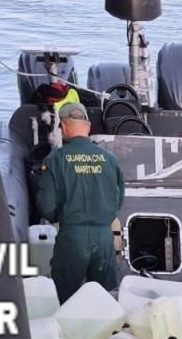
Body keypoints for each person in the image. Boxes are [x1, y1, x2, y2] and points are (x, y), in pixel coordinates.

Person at [34, 102, 126, 304]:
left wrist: (60, 216)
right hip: (104, 239)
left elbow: (47, 207)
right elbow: (118, 200)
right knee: (105, 301)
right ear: (88, 127)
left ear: (63, 127)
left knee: (64, 301)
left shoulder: (55, 160)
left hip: (72, 238)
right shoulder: (111, 160)